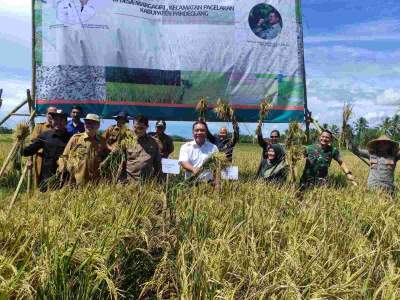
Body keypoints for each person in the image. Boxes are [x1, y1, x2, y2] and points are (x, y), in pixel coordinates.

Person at [23, 110, 70, 192]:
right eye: (55, 119)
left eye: (61, 120)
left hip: (63, 178)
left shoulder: (71, 138)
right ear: (52, 121)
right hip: (46, 177)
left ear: (66, 122)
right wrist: (20, 146)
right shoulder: (45, 135)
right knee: (43, 201)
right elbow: (31, 149)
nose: (58, 122)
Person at [58, 113, 108, 185]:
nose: (89, 125)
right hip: (76, 182)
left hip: (96, 183)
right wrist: (63, 168)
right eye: (87, 123)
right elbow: (64, 156)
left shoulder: (102, 141)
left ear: (98, 126)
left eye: (92, 123)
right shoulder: (76, 139)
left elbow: (107, 158)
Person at [121, 115, 162, 182]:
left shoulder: (154, 143)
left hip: (146, 183)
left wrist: (158, 181)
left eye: (140, 128)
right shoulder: (126, 141)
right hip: (128, 182)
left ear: (147, 127)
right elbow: (121, 163)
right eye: (135, 127)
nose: (137, 130)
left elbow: (157, 164)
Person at [31, 106, 58, 188]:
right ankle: (38, 197)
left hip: (54, 160)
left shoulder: (59, 128)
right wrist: (30, 160)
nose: (52, 115)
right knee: (39, 179)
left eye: (54, 113)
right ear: (46, 114)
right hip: (41, 158)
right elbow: (32, 143)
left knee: (53, 180)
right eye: (50, 113)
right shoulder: (39, 127)